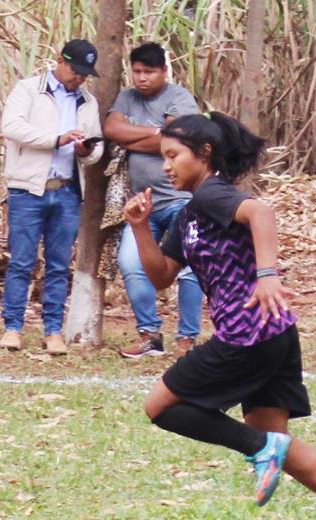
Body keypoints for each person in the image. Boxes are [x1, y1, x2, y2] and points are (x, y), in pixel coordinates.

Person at [123, 112, 316, 520]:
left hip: (247, 333)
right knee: (270, 433)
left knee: (160, 407)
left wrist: (268, 275)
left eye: (173, 155)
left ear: (204, 154)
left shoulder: (213, 194)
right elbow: (163, 275)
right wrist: (139, 226)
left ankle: (259, 450)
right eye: (162, 157)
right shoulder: (189, 215)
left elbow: (261, 211)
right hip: (274, 334)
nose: (165, 166)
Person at [0, 39, 104, 355]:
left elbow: (95, 150)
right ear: (59, 60)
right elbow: (12, 126)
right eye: (75, 70)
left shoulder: (87, 102)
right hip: (28, 189)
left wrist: (86, 151)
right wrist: (56, 140)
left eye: (85, 73)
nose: (79, 78)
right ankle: (12, 327)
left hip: (68, 191)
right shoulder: (29, 90)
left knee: (59, 265)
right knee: (21, 261)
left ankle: (53, 331)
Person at [104, 42, 203, 359]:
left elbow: (180, 138)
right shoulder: (126, 97)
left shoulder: (179, 97)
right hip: (141, 206)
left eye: (149, 72)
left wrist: (139, 136)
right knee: (131, 264)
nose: (142, 78)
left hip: (181, 202)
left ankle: (187, 339)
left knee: (189, 268)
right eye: (137, 71)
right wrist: (157, 133)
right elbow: (112, 129)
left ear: (163, 71)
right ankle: (150, 334)